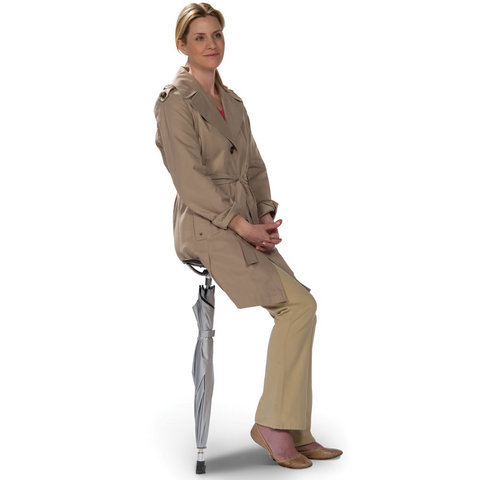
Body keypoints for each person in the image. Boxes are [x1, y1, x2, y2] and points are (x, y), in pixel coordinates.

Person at [154, 2, 342, 470]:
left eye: (217, 34)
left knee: (302, 308)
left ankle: (294, 428)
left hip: (243, 222)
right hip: (206, 224)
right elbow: (189, 179)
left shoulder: (233, 102)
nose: (211, 44)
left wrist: (265, 215)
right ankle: (274, 426)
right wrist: (240, 224)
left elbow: (254, 166)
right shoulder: (174, 101)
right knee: (298, 306)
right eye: (200, 37)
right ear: (182, 45)